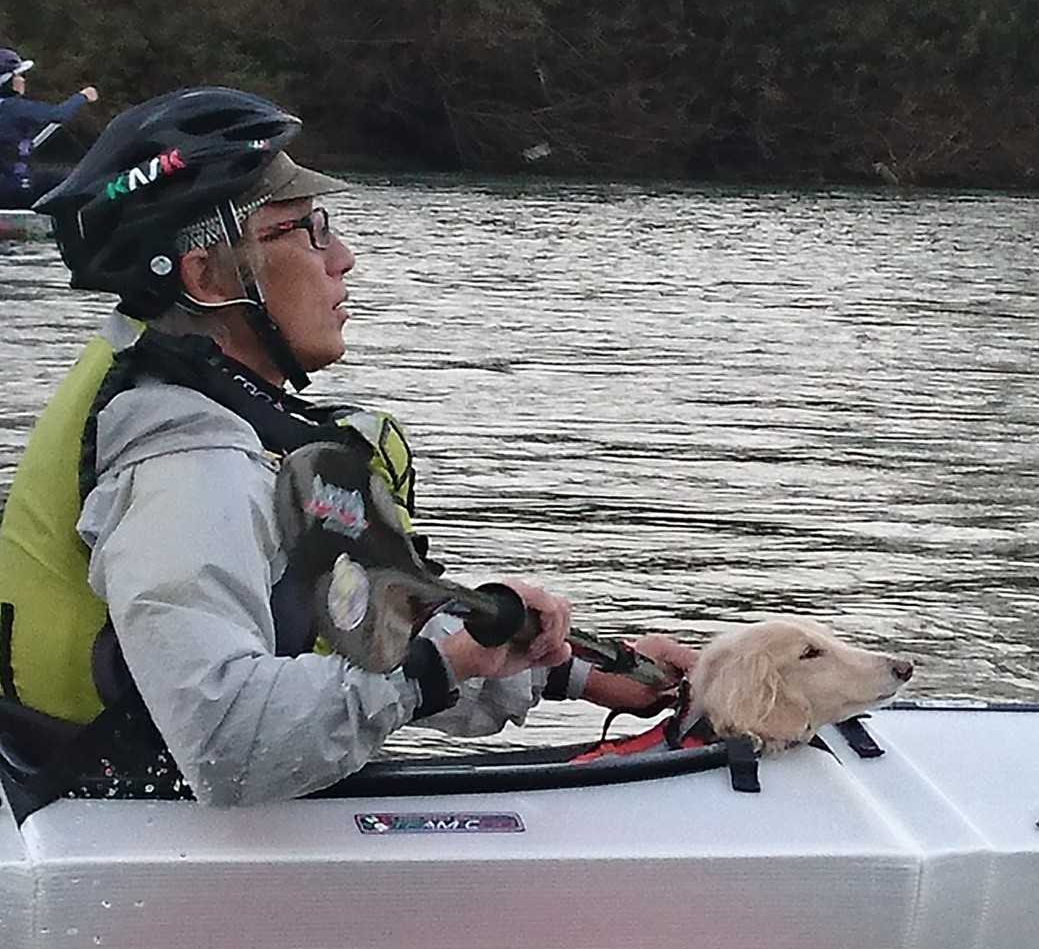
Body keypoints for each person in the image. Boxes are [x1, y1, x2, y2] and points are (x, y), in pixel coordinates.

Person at [0, 86, 693, 806]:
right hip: (117, 826)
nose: (343, 258)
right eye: (306, 230)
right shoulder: (185, 464)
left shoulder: (208, 412)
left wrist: (577, 671)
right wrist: (441, 667)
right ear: (205, 277)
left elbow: (355, 628)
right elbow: (230, 743)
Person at [0, 48, 97, 209]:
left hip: (8, 181)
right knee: (80, 182)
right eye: (18, 76)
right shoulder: (13, 108)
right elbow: (58, 114)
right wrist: (83, 96)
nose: (22, 80)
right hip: (16, 185)